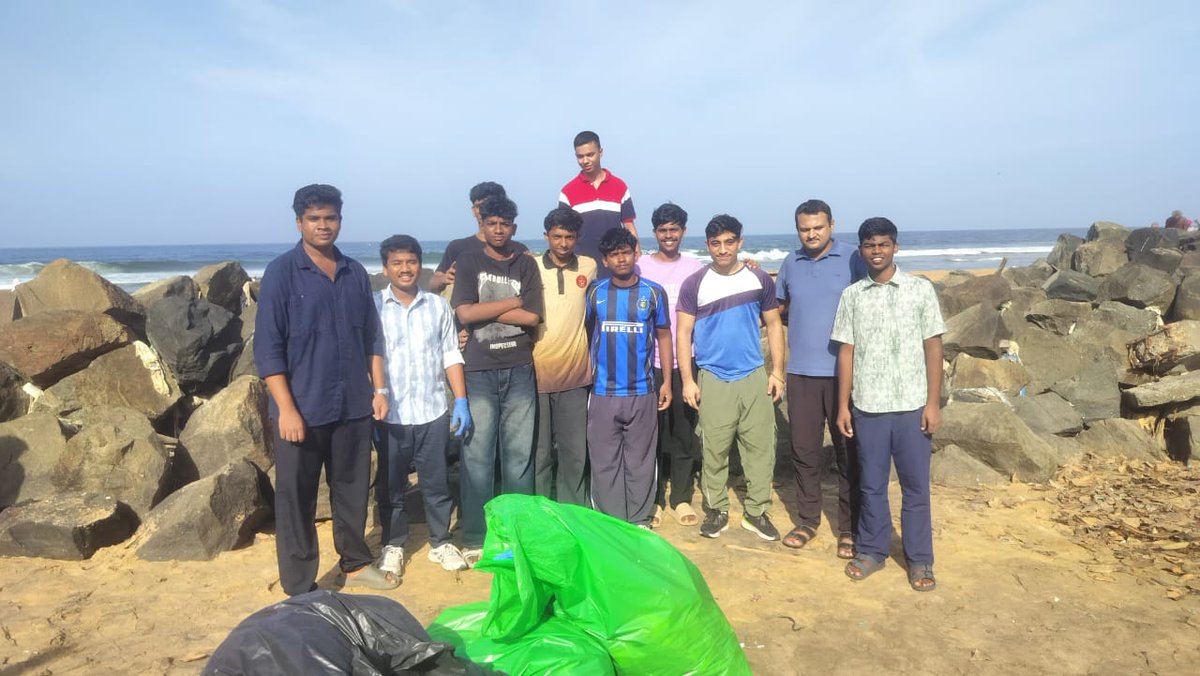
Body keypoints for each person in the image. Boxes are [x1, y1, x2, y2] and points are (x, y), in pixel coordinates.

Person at [254, 183, 396, 593]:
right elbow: (268, 348)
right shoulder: (282, 272)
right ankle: (299, 583)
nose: (323, 226)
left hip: (352, 404)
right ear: (299, 223)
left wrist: (378, 391)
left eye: (330, 218)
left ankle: (354, 563)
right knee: (296, 498)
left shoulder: (353, 273)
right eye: (314, 219)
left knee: (352, 492)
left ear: (340, 220)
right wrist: (287, 409)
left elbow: (372, 338)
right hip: (302, 407)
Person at [832, 217, 945, 592]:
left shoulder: (919, 290)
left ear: (896, 247)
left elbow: (934, 346)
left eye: (883, 244)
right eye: (869, 245)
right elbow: (845, 353)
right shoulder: (852, 296)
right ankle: (872, 551)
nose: (876, 251)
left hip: (913, 406)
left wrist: (933, 403)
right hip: (869, 407)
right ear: (861, 250)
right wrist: (843, 405)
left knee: (915, 488)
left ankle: (919, 560)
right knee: (872, 486)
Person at [676, 214, 786, 541]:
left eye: (728, 242)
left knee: (761, 447)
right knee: (714, 448)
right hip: (712, 375)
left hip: (753, 374)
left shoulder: (759, 280)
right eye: (715, 243)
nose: (722, 250)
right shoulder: (695, 283)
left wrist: (777, 372)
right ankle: (717, 508)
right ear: (707, 245)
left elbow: (775, 325)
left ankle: (756, 511)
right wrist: (687, 380)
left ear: (740, 242)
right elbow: (683, 333)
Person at [450, 194, 544, 565]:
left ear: (514, 227)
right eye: (492, 223)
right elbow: (465, 311)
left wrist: (484, 312)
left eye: (506, 224)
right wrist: (510, 304)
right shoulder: (469, 260)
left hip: (520, 367)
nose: (499, 229)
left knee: (519, 456)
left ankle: (517, 533)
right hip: (478, 370)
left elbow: (533, 317)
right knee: (477, 455)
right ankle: (475, 535)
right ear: (482, 225)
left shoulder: (525, 264)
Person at [373, 235, 473, 577]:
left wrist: (460, 400)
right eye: (397, 263)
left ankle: (441, 542)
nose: (405, 269)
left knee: (436, 482)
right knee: (391, 485)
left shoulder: (437, 306)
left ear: (420, 264)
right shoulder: (373, 307)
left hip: (432, 409)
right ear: (385, 268)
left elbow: (450, 354)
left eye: (411, 262)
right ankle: (393, 545)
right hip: (391, 413)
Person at [775, 199, 868, 557]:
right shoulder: (790, 263)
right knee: (804, 451)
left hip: (845, 375)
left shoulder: (853, 258)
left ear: (831, 224)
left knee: (849, 452)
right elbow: (777, 308)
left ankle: (848, 528)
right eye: (804, 228)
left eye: (818, 227)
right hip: (801, 374)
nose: (811, 234)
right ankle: (808, 520)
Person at [585, 227, 673, 526]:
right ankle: (611, 520)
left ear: (635, 254)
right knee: (605, 459)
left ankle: (638, 520)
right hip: (602, 393)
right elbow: (585, 335)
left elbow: (663, 336)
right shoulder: (596, 292)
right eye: (614, 255)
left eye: (626, 252)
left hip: (642, 391)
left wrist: (668, 384)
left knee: (640, 460)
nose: (621, 259)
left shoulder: (653, 292)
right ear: (605, 260)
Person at [637, 203, 706, 528]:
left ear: (682, 231)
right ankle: (652, 499)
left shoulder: (694, 268)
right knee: (649, 434)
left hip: (685, 364)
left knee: (682, 431)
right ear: (655, 233)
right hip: (647, 362)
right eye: (663, 230)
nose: (668, 235)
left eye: (674, 229)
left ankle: (680, 498)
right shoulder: (639, 267)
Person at [532, 207, 597, 506]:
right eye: (556, 236)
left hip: (575, 375)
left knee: (574, 451)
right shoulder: (530, 266)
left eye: (569, 237)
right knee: (540, 453)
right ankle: (543, 511)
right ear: (546, 236)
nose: (562, 243)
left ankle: (573, 511)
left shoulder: (588, 266)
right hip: (535, 376)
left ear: (578, 238)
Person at [428, 182, 528, 296]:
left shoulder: (518, 249)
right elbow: (433, 283)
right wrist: (444, 279)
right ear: (474, 210)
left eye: (491, 205)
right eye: (480, 206)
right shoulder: (458, 247)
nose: (484, 210)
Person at [558, 131, 637, 268]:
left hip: (615, 263)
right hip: (581, 266)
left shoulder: (620, 186)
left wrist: (636, 254)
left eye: (590, 155)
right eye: (580, 156)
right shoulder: (567, 192)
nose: (585, 161)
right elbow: (564, 233)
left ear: (600, 152)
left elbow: (629, 225)